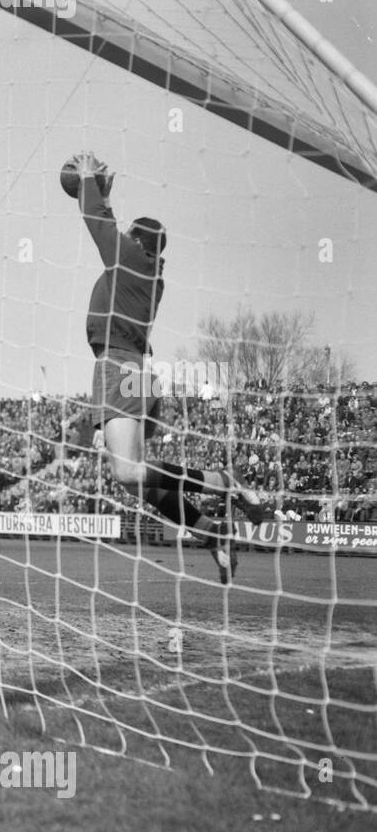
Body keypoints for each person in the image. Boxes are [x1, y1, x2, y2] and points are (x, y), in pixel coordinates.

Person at [70, 152, 269, 583]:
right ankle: (213, 533)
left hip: (118, 367)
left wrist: (88, 183)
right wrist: (103, 193)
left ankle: (223, 481)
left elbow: (97, 224)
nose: (121, 237)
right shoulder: (144, 271)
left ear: (138, 243)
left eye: (128, 235)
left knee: (127, 473)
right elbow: (108, 222)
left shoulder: (134, 263)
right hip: (135, 372)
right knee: (135, 481)